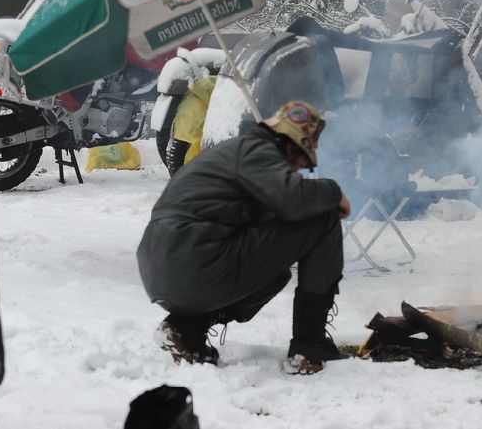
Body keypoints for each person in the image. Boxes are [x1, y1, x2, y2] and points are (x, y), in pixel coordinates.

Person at [136, 100, 352, 374]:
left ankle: (185, 330)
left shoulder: (234, 153)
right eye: (301, 162)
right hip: (196, 262)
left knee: (276, 276)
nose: (298, 171)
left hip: (164, 270)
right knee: (322, 219)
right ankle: (309, 347)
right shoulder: (258, 151)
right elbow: (293, 200)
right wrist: (333, 192)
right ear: (292, 145)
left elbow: (270, 219)